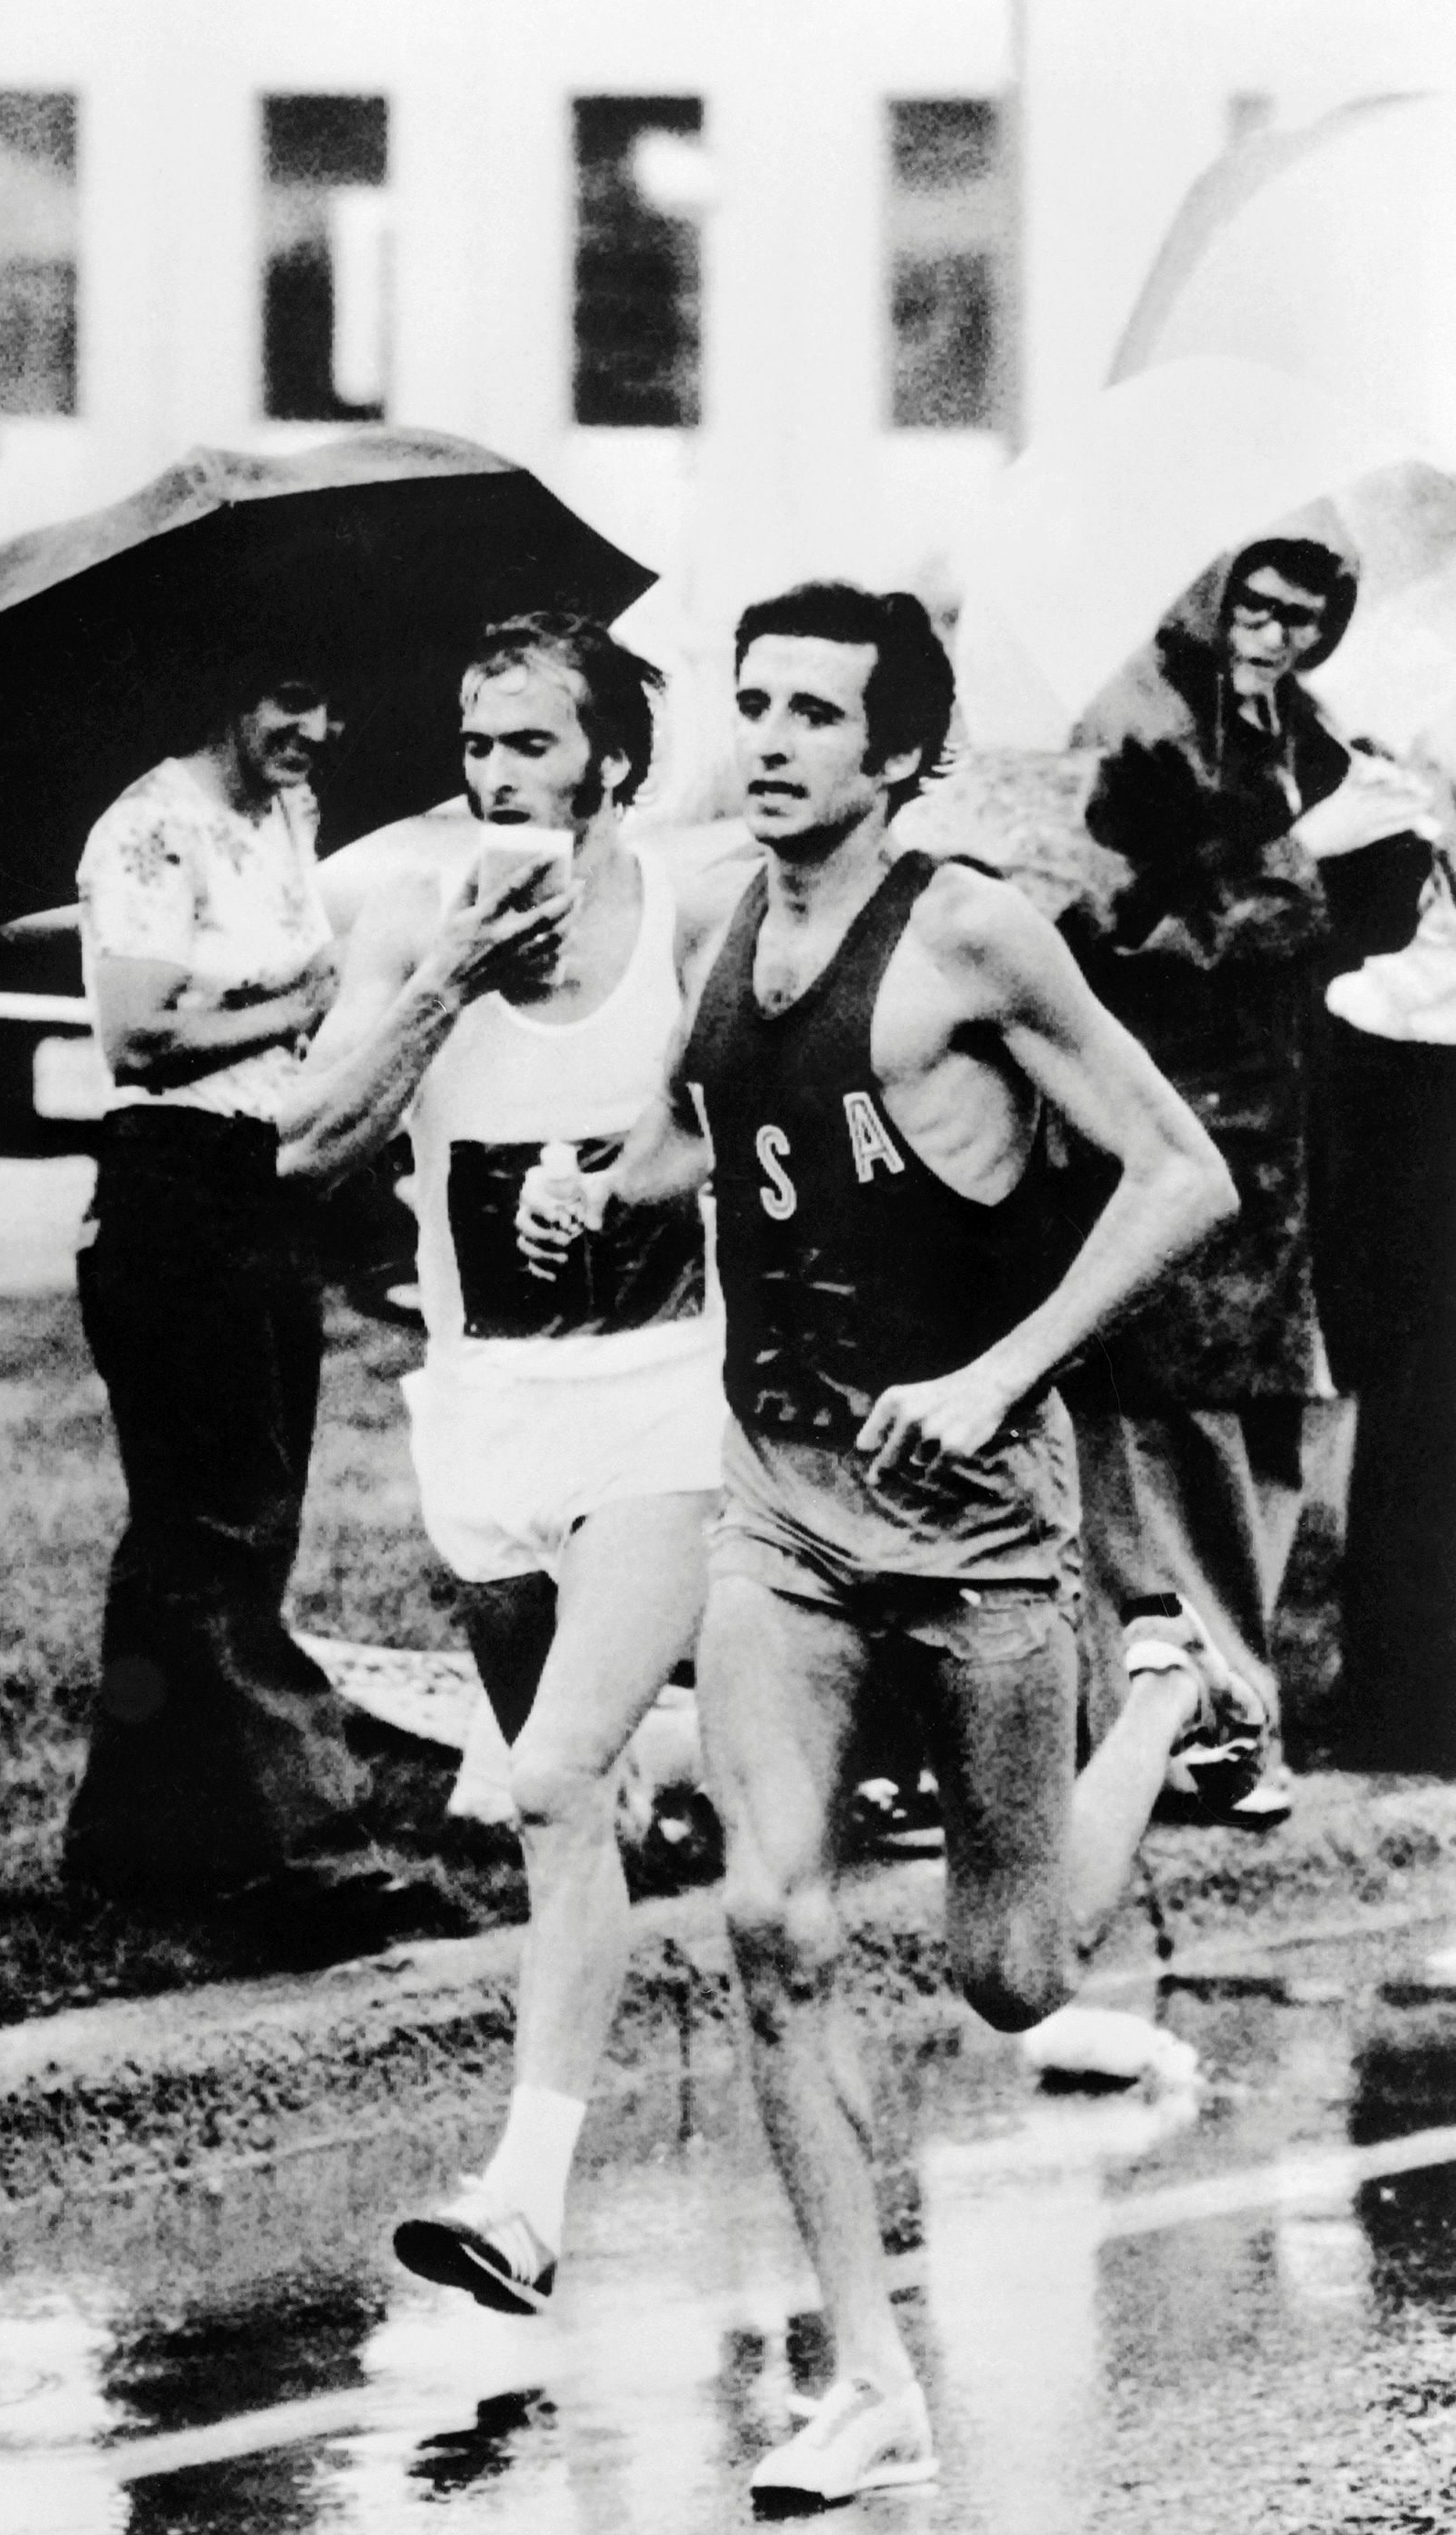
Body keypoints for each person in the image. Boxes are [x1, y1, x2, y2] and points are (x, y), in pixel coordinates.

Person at [571, 582, 1243, 2504]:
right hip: (777, 1497)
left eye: (812, 714)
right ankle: (869, 2376)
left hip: (972, 1515)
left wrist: (996, 1372)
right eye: (752, 702)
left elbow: (1177, 1171)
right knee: (771, 1927)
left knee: (1014, 1976)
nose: (769, 737)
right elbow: (721, 1141)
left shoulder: (968, 928)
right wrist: (596, 1198)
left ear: (895, 755)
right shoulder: (719, 920)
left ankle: (1158, 1706)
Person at [281, 612, 738, 2312]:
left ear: (612, 759)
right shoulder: (415, 911)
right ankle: (720, 1732)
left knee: (544, 1782)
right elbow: (310, 1142)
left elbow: (756, 1121)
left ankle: (523, 2199)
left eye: (535, 746)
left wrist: (637, 1177)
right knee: (589, 1795)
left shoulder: (687, 903)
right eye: (479, 748)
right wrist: (443, 982)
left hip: (661, 1399)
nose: (500, 780)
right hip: (480, 1414)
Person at [60, 657, 443, 1951]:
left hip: (266, 1182)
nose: (321, 723)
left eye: (327, 699)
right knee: (217, 1525)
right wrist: (299, 1003)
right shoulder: (150, 827)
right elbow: (137, 1037)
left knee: (215, 1525)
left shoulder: (287, 816)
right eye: (291, 696)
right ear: (221, 689)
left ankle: (130, 1835)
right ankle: (297, 1844)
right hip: (175, 1193)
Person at [1067, 538, 1366, 1817]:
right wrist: (1273, 897)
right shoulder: (1134, 719)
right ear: (1213, 597)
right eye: (1256, 604)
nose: (1274, 633)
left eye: (1303, 616)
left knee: (1269, 1414)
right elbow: (1102, 916)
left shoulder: (1313, 733)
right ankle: (1174, 1710)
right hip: (1166, 1104)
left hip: (1280, 1121)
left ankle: (1232, 1705)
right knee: (1160, 1418)